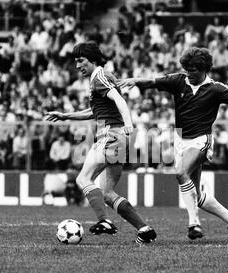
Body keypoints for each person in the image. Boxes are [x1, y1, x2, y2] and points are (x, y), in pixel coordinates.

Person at [119, 47, 228, 241]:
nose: (189, 73)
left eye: (193, 70)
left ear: (204, 70)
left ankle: (194, 224)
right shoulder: (178, 81)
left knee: (180, 173)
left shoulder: (216, 88)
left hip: (201, 140)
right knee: (196, 195)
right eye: (187, 69)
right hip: (180, 139)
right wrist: (134, 80)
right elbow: (153, 81)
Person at [44, 42, 156, 244]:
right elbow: (94, 112)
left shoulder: (98, 76)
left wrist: (129, 123)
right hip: (119, 136)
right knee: (107, 193)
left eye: (81, 61)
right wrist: (65, 115)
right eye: (76, 62)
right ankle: (144, 229)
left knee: (82, 179)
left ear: (92, 59)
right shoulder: (101, 77)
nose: (77, 66)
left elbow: (120, 101)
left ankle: (104, 221)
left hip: (112, 134)